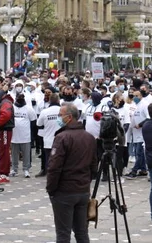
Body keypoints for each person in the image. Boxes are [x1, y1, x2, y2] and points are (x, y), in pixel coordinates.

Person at [46, 103, 97, 243]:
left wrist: (51, 188)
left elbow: (54, 167)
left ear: (69, 117)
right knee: (81, 232)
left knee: (63, 233)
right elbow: (94, 165)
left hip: (65, 191)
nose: (58, 118)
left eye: (60, 115)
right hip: (82, 190)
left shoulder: (62, 137)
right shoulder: (89, 137)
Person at [11, 92, 36, 178]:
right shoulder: (12, 108)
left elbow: (33, 122)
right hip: (14, 135)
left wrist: (32, 135)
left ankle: (26, 169)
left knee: (26, 153)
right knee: (14, 153)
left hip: (25, 135)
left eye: (21, 97)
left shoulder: (29, 109)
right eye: (19, 97)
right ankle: (14, 169)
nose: (20, 99)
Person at [0, 87, 15, 184]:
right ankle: (4, 172)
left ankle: (3, 173)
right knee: (4, 150)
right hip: (4, 129)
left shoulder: (5, 102)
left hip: (5, 129)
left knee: (4, 150)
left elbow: (5, 115)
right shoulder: (5, 102)